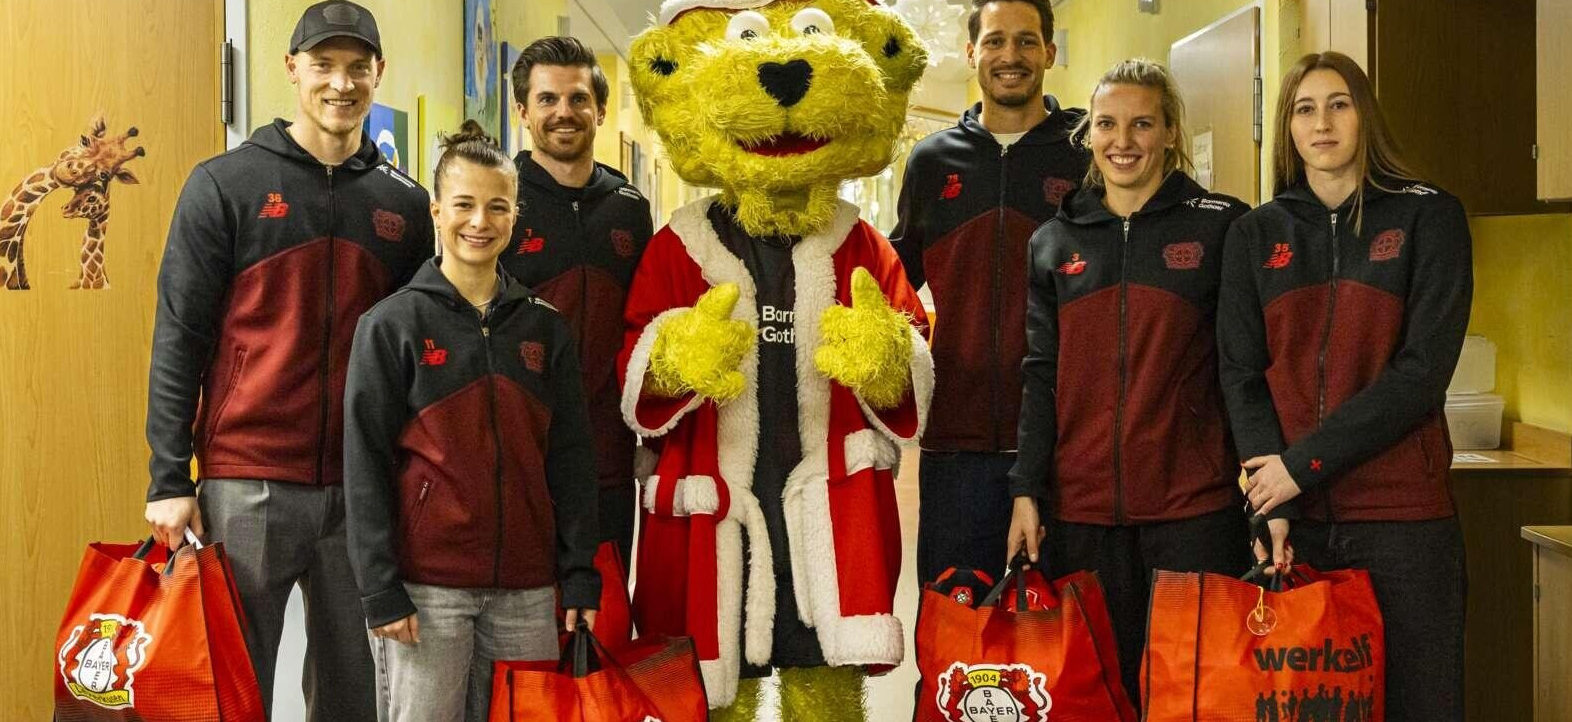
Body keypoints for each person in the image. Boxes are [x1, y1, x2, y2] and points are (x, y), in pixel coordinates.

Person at [142, 2, 432, 717]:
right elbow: (180, 335)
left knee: (355, 693)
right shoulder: (224, 186)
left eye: (357, 68)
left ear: (378, 74)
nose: (341, 84)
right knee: (230, 688)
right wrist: (168, 477)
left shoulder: (407, 205)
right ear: (291, 69)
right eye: (325, 66)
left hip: (363, 490)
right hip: (247, 485)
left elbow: (420, 357)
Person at [1218, 51, 1472, 721]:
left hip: (1404, 522)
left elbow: (1420, 376)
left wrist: (1299, 467)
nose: (1322, 122)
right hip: (1297, 523)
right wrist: (1270, 499)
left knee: (1423, 703)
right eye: (1305, 108)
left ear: (1365, 116)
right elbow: (1241, 376)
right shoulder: (1253, 234)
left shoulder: (1430, 218)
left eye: (1339, 104)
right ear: (1287, 127)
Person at [1005, 58, 1251, 707]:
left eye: (1142, 123)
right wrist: (1027, 491)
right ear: (1089, 135)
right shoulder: (1053, 243)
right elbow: (1039, 375)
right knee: (1096, 698)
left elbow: (1242, 367)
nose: (1123, 140)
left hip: (1194, 513)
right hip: (1081, 511)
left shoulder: (1222, 226)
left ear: (1170, 131)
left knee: (1193, 699)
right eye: (1107, 124)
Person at [343, 121, 601, 722]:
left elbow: (571, 460)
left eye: (497, 207)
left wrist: (579, 572)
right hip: (426, 591)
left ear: (516, 216)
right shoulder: (391, 325)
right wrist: (379, 588)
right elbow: (365, 464)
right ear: (436, 211)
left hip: (529, 590)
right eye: (463, 205)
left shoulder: (545, 327)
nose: (479, 222)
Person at [890, 0, 1090, 586]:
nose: (1011, 56)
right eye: (996, 41)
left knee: (1057, 638)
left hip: (1064, 440)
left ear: (1050, 53)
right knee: (956, 624)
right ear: (972, 51)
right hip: (958, 437)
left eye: (1027, 42)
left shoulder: (1083, 153)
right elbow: (893, 280)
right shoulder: (932, 162)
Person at [504, 36, 653, 565]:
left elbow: (647, 325)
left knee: (607, 619)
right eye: (547, 99)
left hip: (607, 460)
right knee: (527, 635)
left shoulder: (629, 209)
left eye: (577, 99)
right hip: (520, 460)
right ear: (522, 110)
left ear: (600, 109)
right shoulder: (500, 203)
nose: (563, 112)